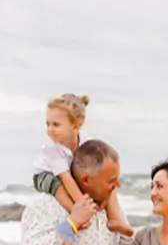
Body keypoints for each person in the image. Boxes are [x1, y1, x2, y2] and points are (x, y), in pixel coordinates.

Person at [35, 94, 134, 236]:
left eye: (55, 125)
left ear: (76, 126)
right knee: (58, 186)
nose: (50, 129)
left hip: (68, 173)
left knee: (107, 180)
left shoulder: (84, 144)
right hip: (46, 175)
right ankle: (75, 214)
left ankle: (115, 219)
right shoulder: (53, 151)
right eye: (48, 124)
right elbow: (66, 179)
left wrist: (103, 197)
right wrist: (82, 204)